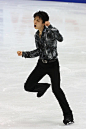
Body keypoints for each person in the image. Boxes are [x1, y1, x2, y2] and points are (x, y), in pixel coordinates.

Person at [17, 11, 74, 125]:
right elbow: (39, 51)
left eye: (38, 20)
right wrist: (24, 54)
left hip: (53, 65)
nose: (35, 22)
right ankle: (43, 87)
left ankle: (68, 116)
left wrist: (51, 26)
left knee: (57, 90)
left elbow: (60, 38)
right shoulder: (37, 35)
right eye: (34, 20)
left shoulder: (50, 32)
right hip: (41, 65)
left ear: (44, 22)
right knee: (28, 86)